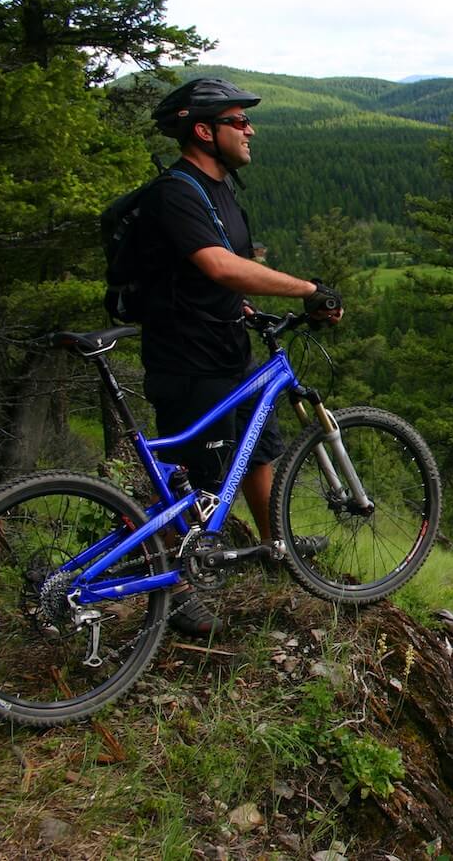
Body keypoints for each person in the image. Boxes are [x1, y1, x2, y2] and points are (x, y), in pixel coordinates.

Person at [145, 77, 342, 636]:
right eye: (238, 121)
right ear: (204, 131)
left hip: (224, 345)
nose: (250, 129)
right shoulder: (177, 191)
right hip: (187, 360)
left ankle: (273, 545)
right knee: (190, 480)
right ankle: (175, 588)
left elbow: (218, 278)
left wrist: (250, 311)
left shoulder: (222, 190)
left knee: (259, 447)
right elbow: (217, 265)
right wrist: (306, 289)